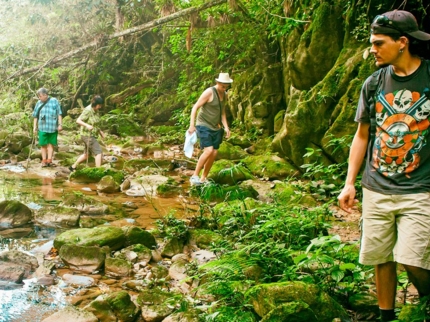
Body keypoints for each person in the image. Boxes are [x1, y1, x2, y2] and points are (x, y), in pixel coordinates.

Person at [337, 10, 430, 322]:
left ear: (402, 42)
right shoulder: (374, 83)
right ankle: (386, 316)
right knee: (382, 257)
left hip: (420, 188)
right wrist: (350, 182)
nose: (372, 49)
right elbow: (362, 135)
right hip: (376, 187)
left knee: (414, 259)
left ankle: (426, 303)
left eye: (378, 43)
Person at [187, 72, 232, 185]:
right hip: (203, 124)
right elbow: (195, 107)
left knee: (214, 153)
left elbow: (222, 113)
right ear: (218, 82)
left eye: (226, 86)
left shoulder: (225, 95)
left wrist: (226, 127)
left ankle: (203, 178)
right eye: (222, 86)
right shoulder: (209, 92)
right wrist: (192, 125)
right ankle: (194, 176)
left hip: (215, 127)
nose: (224, 88)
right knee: (208, 150)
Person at [69, 95, 105, 171]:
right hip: (87, 135)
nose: (100, 107)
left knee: (87, 154)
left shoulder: (96, 110)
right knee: (98, 152)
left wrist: (100, 131)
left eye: (101, 105)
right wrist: (87, 125)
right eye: (99, 105)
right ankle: (98, 171)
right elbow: (78, 120)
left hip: (92, 135)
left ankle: (73, 167)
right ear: (95, 104)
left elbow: (96, 123)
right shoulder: (88, 110)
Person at [32, 88, 63, 167]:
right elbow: (35, 116)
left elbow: (59, 113)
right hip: (42, 127)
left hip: (53, 127)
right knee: (43, 145)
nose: (39, 98)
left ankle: (49, 160)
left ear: (45, 95)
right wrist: (34, 127)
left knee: (51, 144)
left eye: (40, 96)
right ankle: (44, 161)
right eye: (38, 96)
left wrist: (60, 124)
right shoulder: (38, 103)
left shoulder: (54, 101)